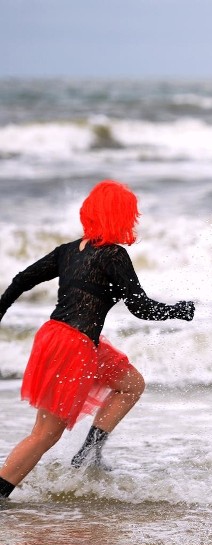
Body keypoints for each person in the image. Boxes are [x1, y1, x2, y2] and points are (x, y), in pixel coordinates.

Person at [0, 180, 195, 500]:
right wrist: (178, 311)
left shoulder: (68, 252)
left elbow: (21, 280)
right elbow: (141, 308)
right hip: (71, 345)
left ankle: (87, 455)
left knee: (130, 384)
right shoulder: (114, 256)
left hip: (62, 338)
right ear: (120, 217)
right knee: (44, 435)